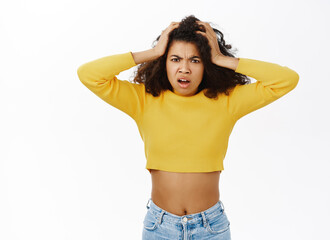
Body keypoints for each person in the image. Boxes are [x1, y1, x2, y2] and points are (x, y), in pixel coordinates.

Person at [77, 15, 299, 240]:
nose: (184, 69)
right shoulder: (144, 101)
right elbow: (89, 75)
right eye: (175, 59)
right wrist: (152, 53)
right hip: (159, 227)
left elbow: (286, 79)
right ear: (164, 62)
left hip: (210, 228)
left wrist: (221, 58)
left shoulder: (226, 102)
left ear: (207, 64)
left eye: (195, 60)